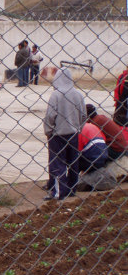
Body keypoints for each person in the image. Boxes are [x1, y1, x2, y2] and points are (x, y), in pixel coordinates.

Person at [43, 67, 86, 200]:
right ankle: (72, 189)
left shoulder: (56, 95)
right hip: (73, 134)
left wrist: (49, 131)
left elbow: (50, 115)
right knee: (73, 162)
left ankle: (58, 191)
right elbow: (83, 115)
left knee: (57, 163)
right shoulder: (78, 95)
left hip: (58, 134)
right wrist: (78, 128)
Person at [77, 120, 116, 191]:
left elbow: (77, 152)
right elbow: (103, 140)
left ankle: (77, 180)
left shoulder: (77, 129)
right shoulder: (92, 126)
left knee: (73, 158)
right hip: (104, 157)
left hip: (90, 159)